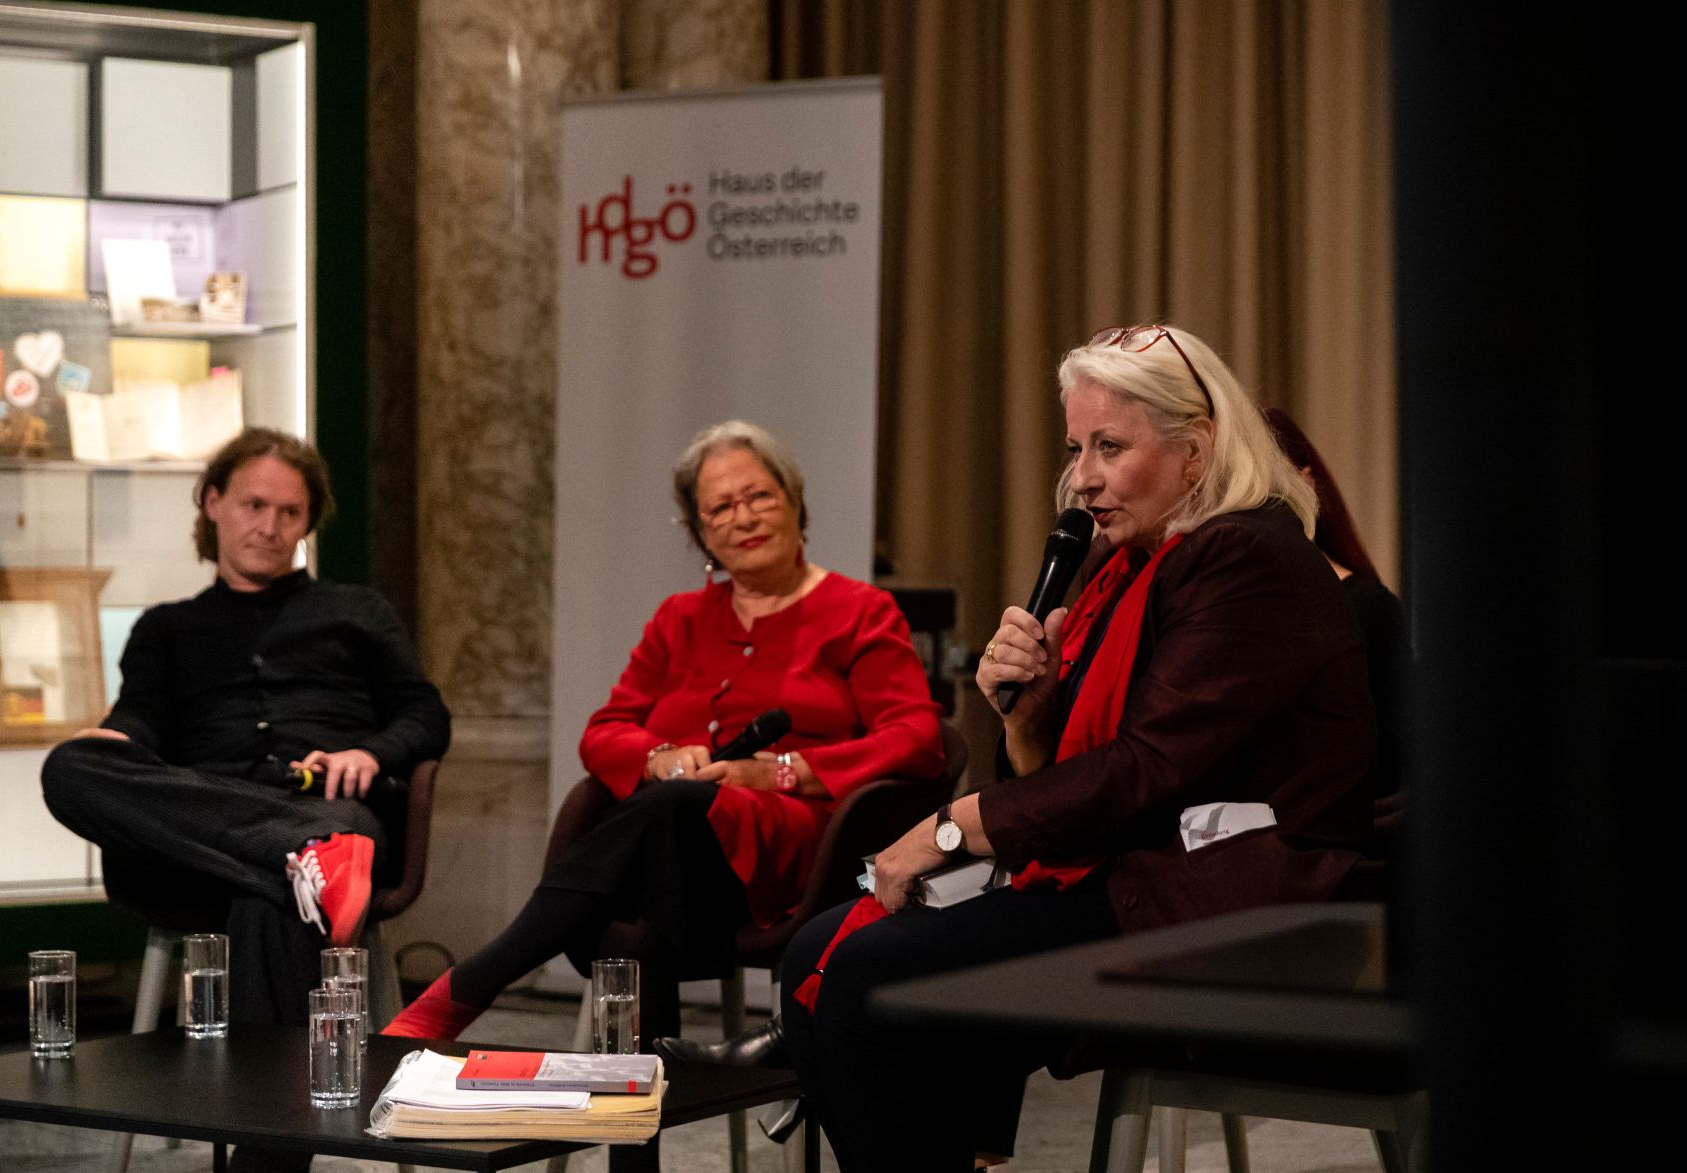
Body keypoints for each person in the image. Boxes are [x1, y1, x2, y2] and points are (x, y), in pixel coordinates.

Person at [777, 325, 1376, 1172]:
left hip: (1226, 908)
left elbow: (1145, 770)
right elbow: (1077, 779)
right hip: (1131, 868)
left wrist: (947, 828)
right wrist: (1027, 717)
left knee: (874, 975)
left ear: (1196, 451)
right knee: (818, 953)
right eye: (1074, 447)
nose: (1082, 477)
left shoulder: (1248, 557)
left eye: (1109, 447)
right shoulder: (1129, 564)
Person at [385, 420, 945, 1045]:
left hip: (792, 855)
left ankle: (477, 980)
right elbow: (604, 733)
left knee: (669, 817)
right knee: (632, 928)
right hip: (679, 865)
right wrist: (661, 758)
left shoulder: (859, 612)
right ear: (702, 533)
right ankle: (640, 1123)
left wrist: (783, 772)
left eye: (760, 496)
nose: (744, 517)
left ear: (795, 504)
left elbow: (919, 737)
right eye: (720, 509)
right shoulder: (679, 619)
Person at [41, 427, 451, 1026]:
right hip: (220, 825)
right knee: (69, 766)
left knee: (283, 885)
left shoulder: (359, 612)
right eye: (254, 506)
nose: (270, 527)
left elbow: (426, 714)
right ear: (213, 504)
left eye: (290, 512)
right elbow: (141, 719)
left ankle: (256, 1104)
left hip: (334, 808)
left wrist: (371, 751)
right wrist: (117, 742)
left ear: (308, 522)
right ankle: (297, 851)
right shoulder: (166, 629)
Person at [1262, 406, 1410, 796]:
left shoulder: (1367, 609)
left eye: (1260, 485)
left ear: (1306, 482)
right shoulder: (1210, 615)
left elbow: (1391, 772)